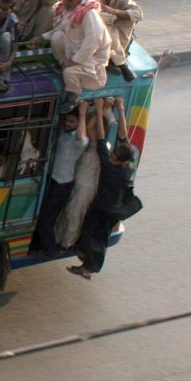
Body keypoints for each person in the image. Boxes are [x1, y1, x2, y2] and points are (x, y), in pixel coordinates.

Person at [69, 97, 135, 279]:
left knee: (94, 235)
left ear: (118, 161)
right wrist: (120, 109)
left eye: (114, 157)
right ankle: (85, 259)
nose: (111, 157)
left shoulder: (111, 169)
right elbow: (124, 136)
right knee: (96, 235)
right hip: (114, 207)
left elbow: (100, 137)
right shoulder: (129, 162)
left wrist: (99, 110)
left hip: (105, 208)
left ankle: (89, 268)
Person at [30, 0, 111, 113]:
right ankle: (64, 64)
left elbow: (92, 42)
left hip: (93, 55)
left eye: (69, 0)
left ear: (79, 0)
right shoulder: (68, 9)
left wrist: (74, 61)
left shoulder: (89, 14)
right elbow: (61, 28)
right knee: (57, 36)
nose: (65, 2)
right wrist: (41, 37)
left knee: (69, 72)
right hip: (76, 47)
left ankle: (73, 97)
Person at [30, 100, 89, 257]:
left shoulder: (80, 140)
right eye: (67, 120)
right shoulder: (63, 134)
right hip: (52, 180)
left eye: (72, 121)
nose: (67, 123)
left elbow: (81, 135)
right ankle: (36, 246)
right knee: (41, 216)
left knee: (46, 220)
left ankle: (50, 250)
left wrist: (83, 113)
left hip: (62, 184)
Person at [55, 105, 102, 250]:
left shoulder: (96, 148)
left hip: (84, 189)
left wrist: (96, 109)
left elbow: (88, 129)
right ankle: (59, 239)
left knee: (74, 215)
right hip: (75, 184)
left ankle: (66, 243)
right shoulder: (85, 145)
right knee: (66, 214)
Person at [89, 0, 142, 82]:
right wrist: (113, 16)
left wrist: (114, 12)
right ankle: (121, 64)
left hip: (114, 34)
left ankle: (114, 58)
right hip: (93, 33)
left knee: (128, 20)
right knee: (104, 25)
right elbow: (96, 16)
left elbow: (138, 14)